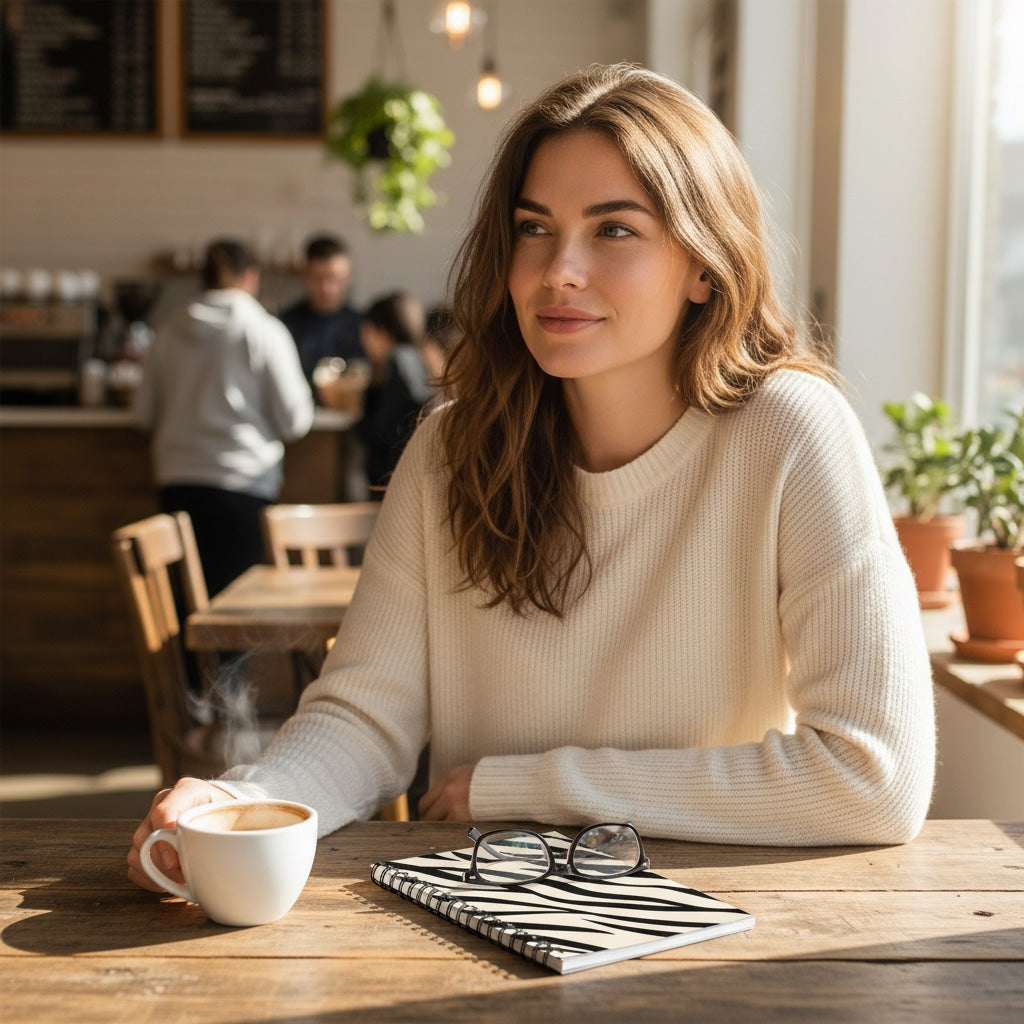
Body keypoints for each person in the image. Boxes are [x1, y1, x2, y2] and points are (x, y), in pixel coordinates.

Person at [130, 64, 935, 890]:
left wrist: (533, 787)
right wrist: (242, 801)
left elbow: (873, 778)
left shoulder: (790, 432)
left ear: (704, 263)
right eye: (534, 227)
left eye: (613, 230)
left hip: (706, 922)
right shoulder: (450, 451)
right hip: (479, 914)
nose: (559, 271)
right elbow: (363, 718)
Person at [134, 238, 314, 596]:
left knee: (185, 602)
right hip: (244, 482)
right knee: (236, 605)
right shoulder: (264, 330)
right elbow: (295, 421)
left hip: (178, 480)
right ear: (251, 277)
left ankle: (184, 657)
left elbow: (142, 414)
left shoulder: (168, 330)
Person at [355, 291, 437, 497]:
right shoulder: (423, 356)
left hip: (395, 482)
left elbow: (386, 429)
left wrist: (357, 414)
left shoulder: (399, 361)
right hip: (414, 478)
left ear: (380, 330)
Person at [279, 233, 364, 395]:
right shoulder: (286, 325)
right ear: (305, 275)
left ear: (348, 275)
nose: (327, 288)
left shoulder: (363, 326)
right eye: (318, 279)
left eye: (334, 278)